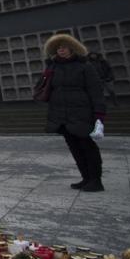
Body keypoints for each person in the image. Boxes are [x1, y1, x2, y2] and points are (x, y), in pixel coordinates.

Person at [42, 35, 107, 192]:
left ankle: (96, 180)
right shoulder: (53, 67)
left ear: (72, 48)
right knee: (74, 147)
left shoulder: (84, 66)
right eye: (58, 48)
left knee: (87, 145)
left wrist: (99, 114)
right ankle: (85, 177)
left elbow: (96, 91)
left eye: (64, 47)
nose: (61, 50)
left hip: (81, 113)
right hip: (61, 114)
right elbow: (47, 87)